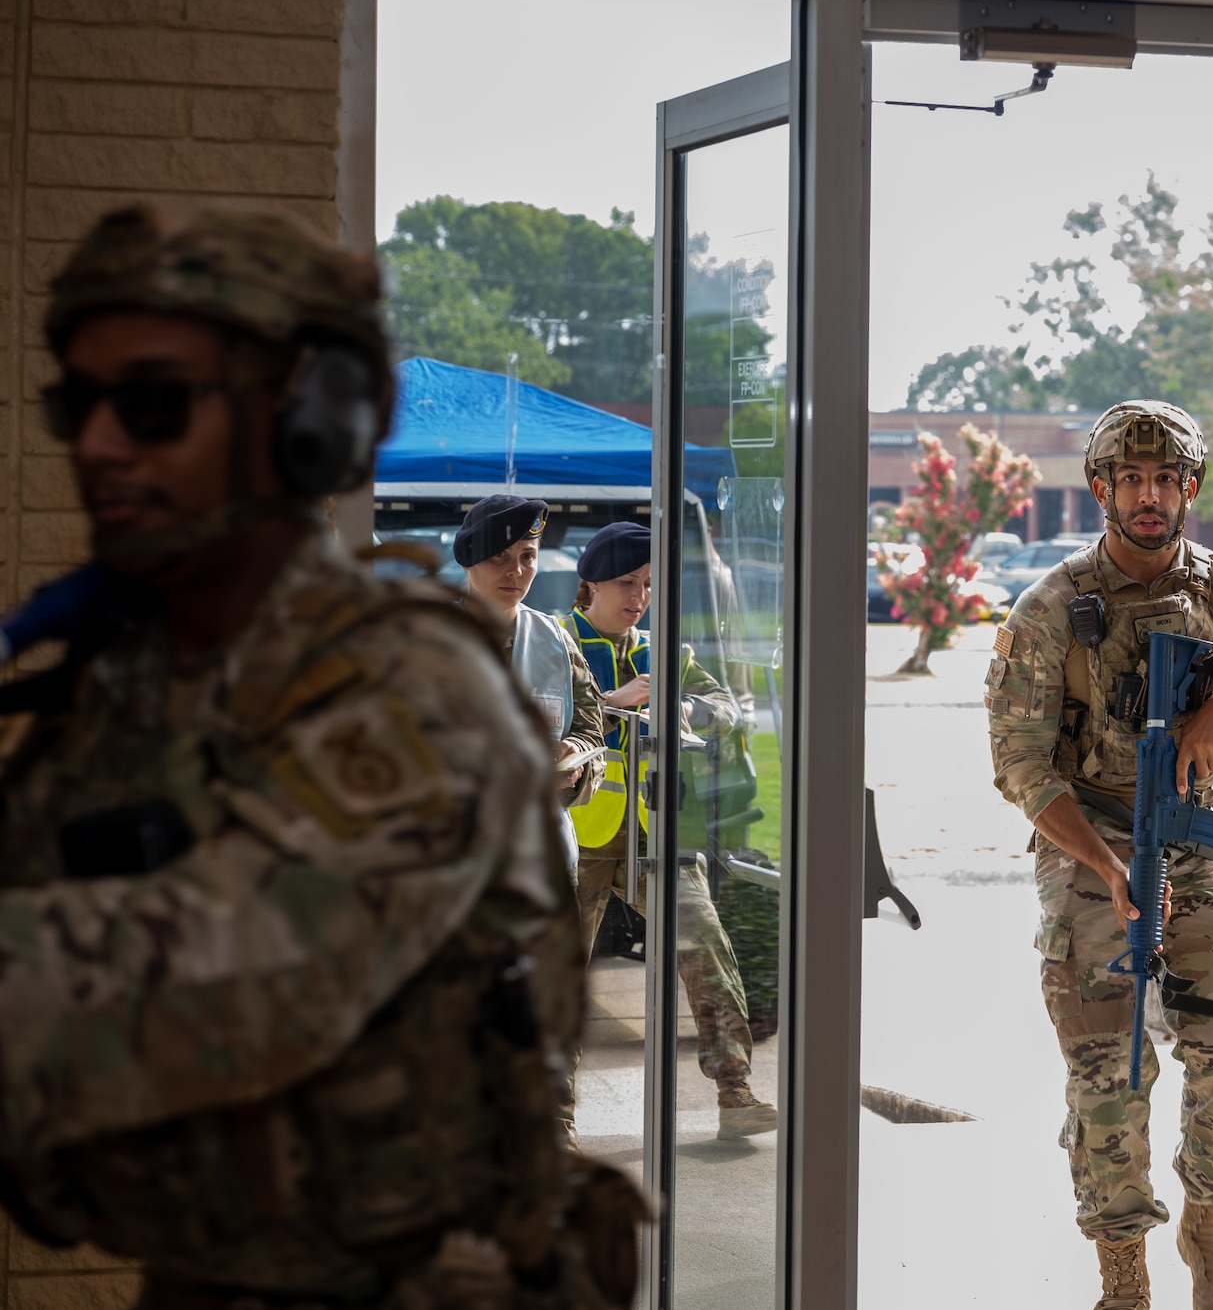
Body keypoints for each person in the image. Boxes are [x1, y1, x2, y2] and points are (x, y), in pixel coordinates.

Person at [0, 203, 643, 1308]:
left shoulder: (402, 690)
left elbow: (187, 991)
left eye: (150, 404)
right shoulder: (133, 674)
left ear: (302, 422)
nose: (99, 443)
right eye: (82, 403)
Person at [985, 400, 1213, 1310]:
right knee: (1108, 1070)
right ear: (1099, 487)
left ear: (1189, 487)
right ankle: (1122, 1269)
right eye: (1129, 478)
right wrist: (1100, 866)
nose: (1147, 494)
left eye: (1164, 478)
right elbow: (1018, 763)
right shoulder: (1052, 606)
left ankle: (1207, 1230)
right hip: (1089, 837)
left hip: (1193, 834)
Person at [565, 521, 777, 1139]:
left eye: (650, 586)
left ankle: (735, 1092)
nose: (638, 597)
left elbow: (730, 710)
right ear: (591, 584)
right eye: (627, 583)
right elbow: (532, 710)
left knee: (704, 941)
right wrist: (613, 700)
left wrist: (689, 709)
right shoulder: (556, 645)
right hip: (575, 834)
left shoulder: (667, 653)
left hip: (656, 832)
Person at [454, 493, 607, 879]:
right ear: (468, 560)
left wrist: (575, 761)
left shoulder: (555, 642)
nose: (516, 571)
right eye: (498, 557)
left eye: (528, 557)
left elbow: (592, 731)